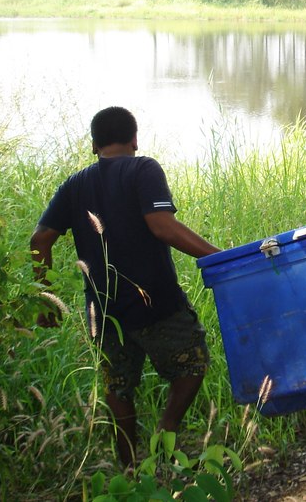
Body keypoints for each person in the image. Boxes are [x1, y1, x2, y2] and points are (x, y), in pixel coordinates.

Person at [30, 106, 221, 468]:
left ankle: (129, 466)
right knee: (192, 365)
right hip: (157, 305)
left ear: (93, 145)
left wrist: (45, 299)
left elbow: (40, 240)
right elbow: (162, 226)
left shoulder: (73, 185)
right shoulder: (143, 168)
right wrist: (220, 257)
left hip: (102, 312)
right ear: (135, 139)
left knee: (118, 387)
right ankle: (166, 430)